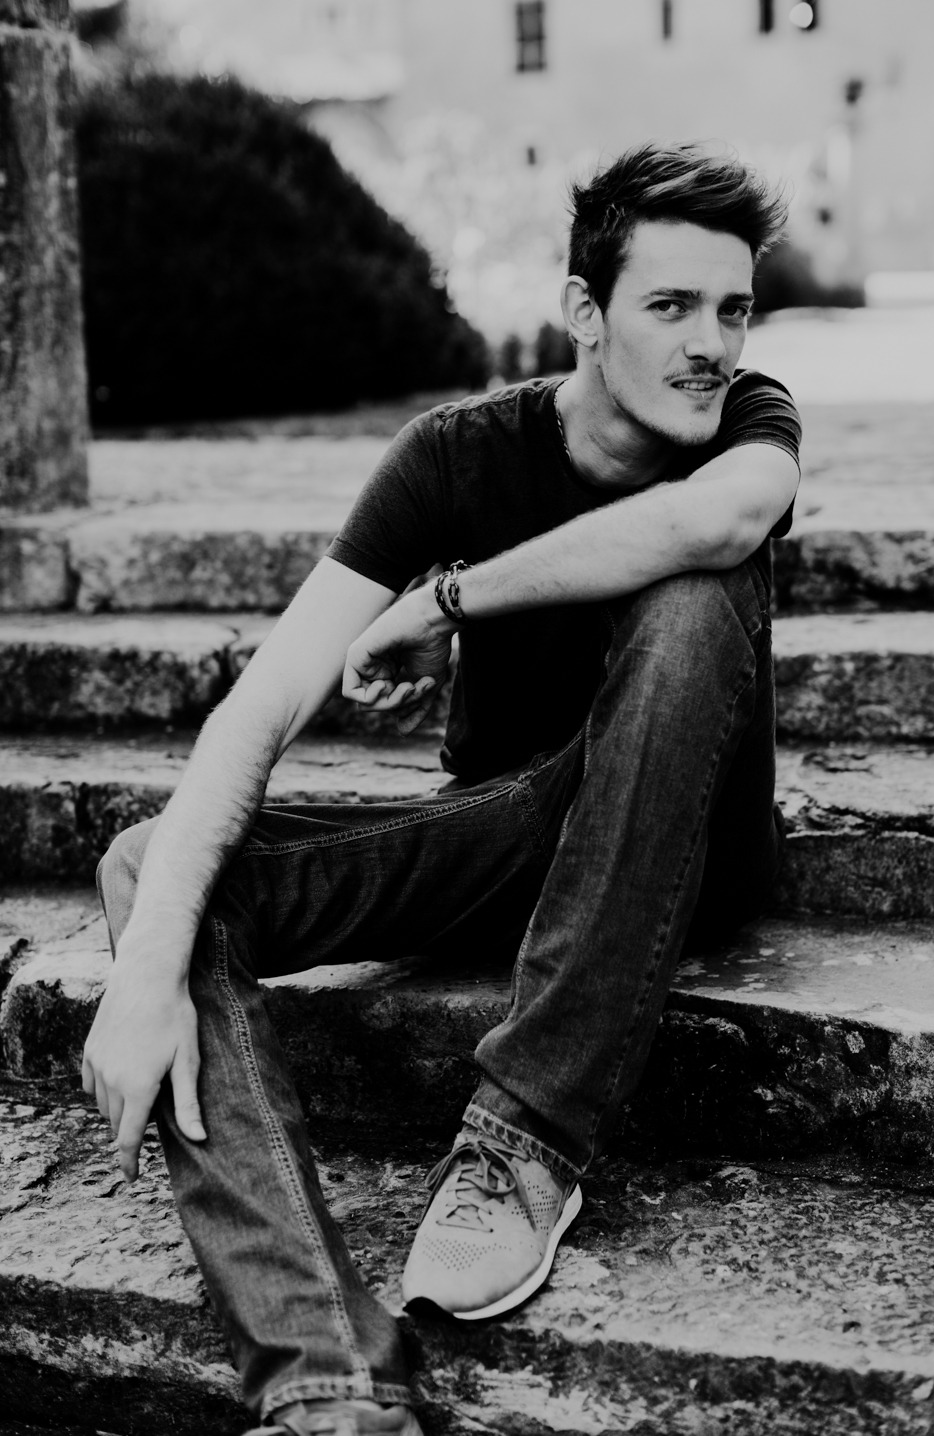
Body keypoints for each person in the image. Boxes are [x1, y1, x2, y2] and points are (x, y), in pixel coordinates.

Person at [82, 142, 800, 1436]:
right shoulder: (455, 457)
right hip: (510, 835)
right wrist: (144, 974)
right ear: (585, 312)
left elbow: (715, 524)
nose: (712, 344)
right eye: (671, 306)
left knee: (698, 597)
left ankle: (527, 1136)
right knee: (154, 872)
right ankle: (328, 1381)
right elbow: (266, 703)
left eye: (733, 308)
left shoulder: (751, 423)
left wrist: (450, 600)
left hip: (685, 845)